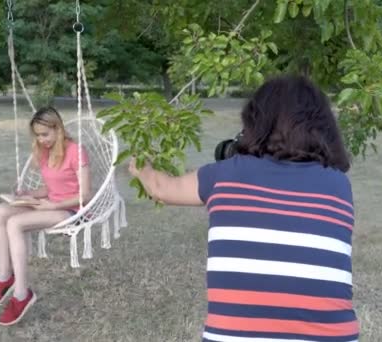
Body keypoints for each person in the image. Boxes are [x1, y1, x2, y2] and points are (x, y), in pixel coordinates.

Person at [129, 75, 359, 342]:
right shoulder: (339, 185)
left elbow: (161, 188)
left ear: (255, 122)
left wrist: (140, 165)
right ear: (324, 128)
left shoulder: (222, 176)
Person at [0, 106, 90, 326]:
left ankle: (22, 295)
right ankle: (5, 277)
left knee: (14, 223)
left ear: (58, 129)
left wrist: (54, 206)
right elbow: (49, 187)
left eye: (45, 134)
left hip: (72, 210)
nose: (41, 140)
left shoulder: (76, 151)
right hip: (49, 204)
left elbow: (85, 194)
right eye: (37, 135)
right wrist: (27, 194)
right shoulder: (45, 152)